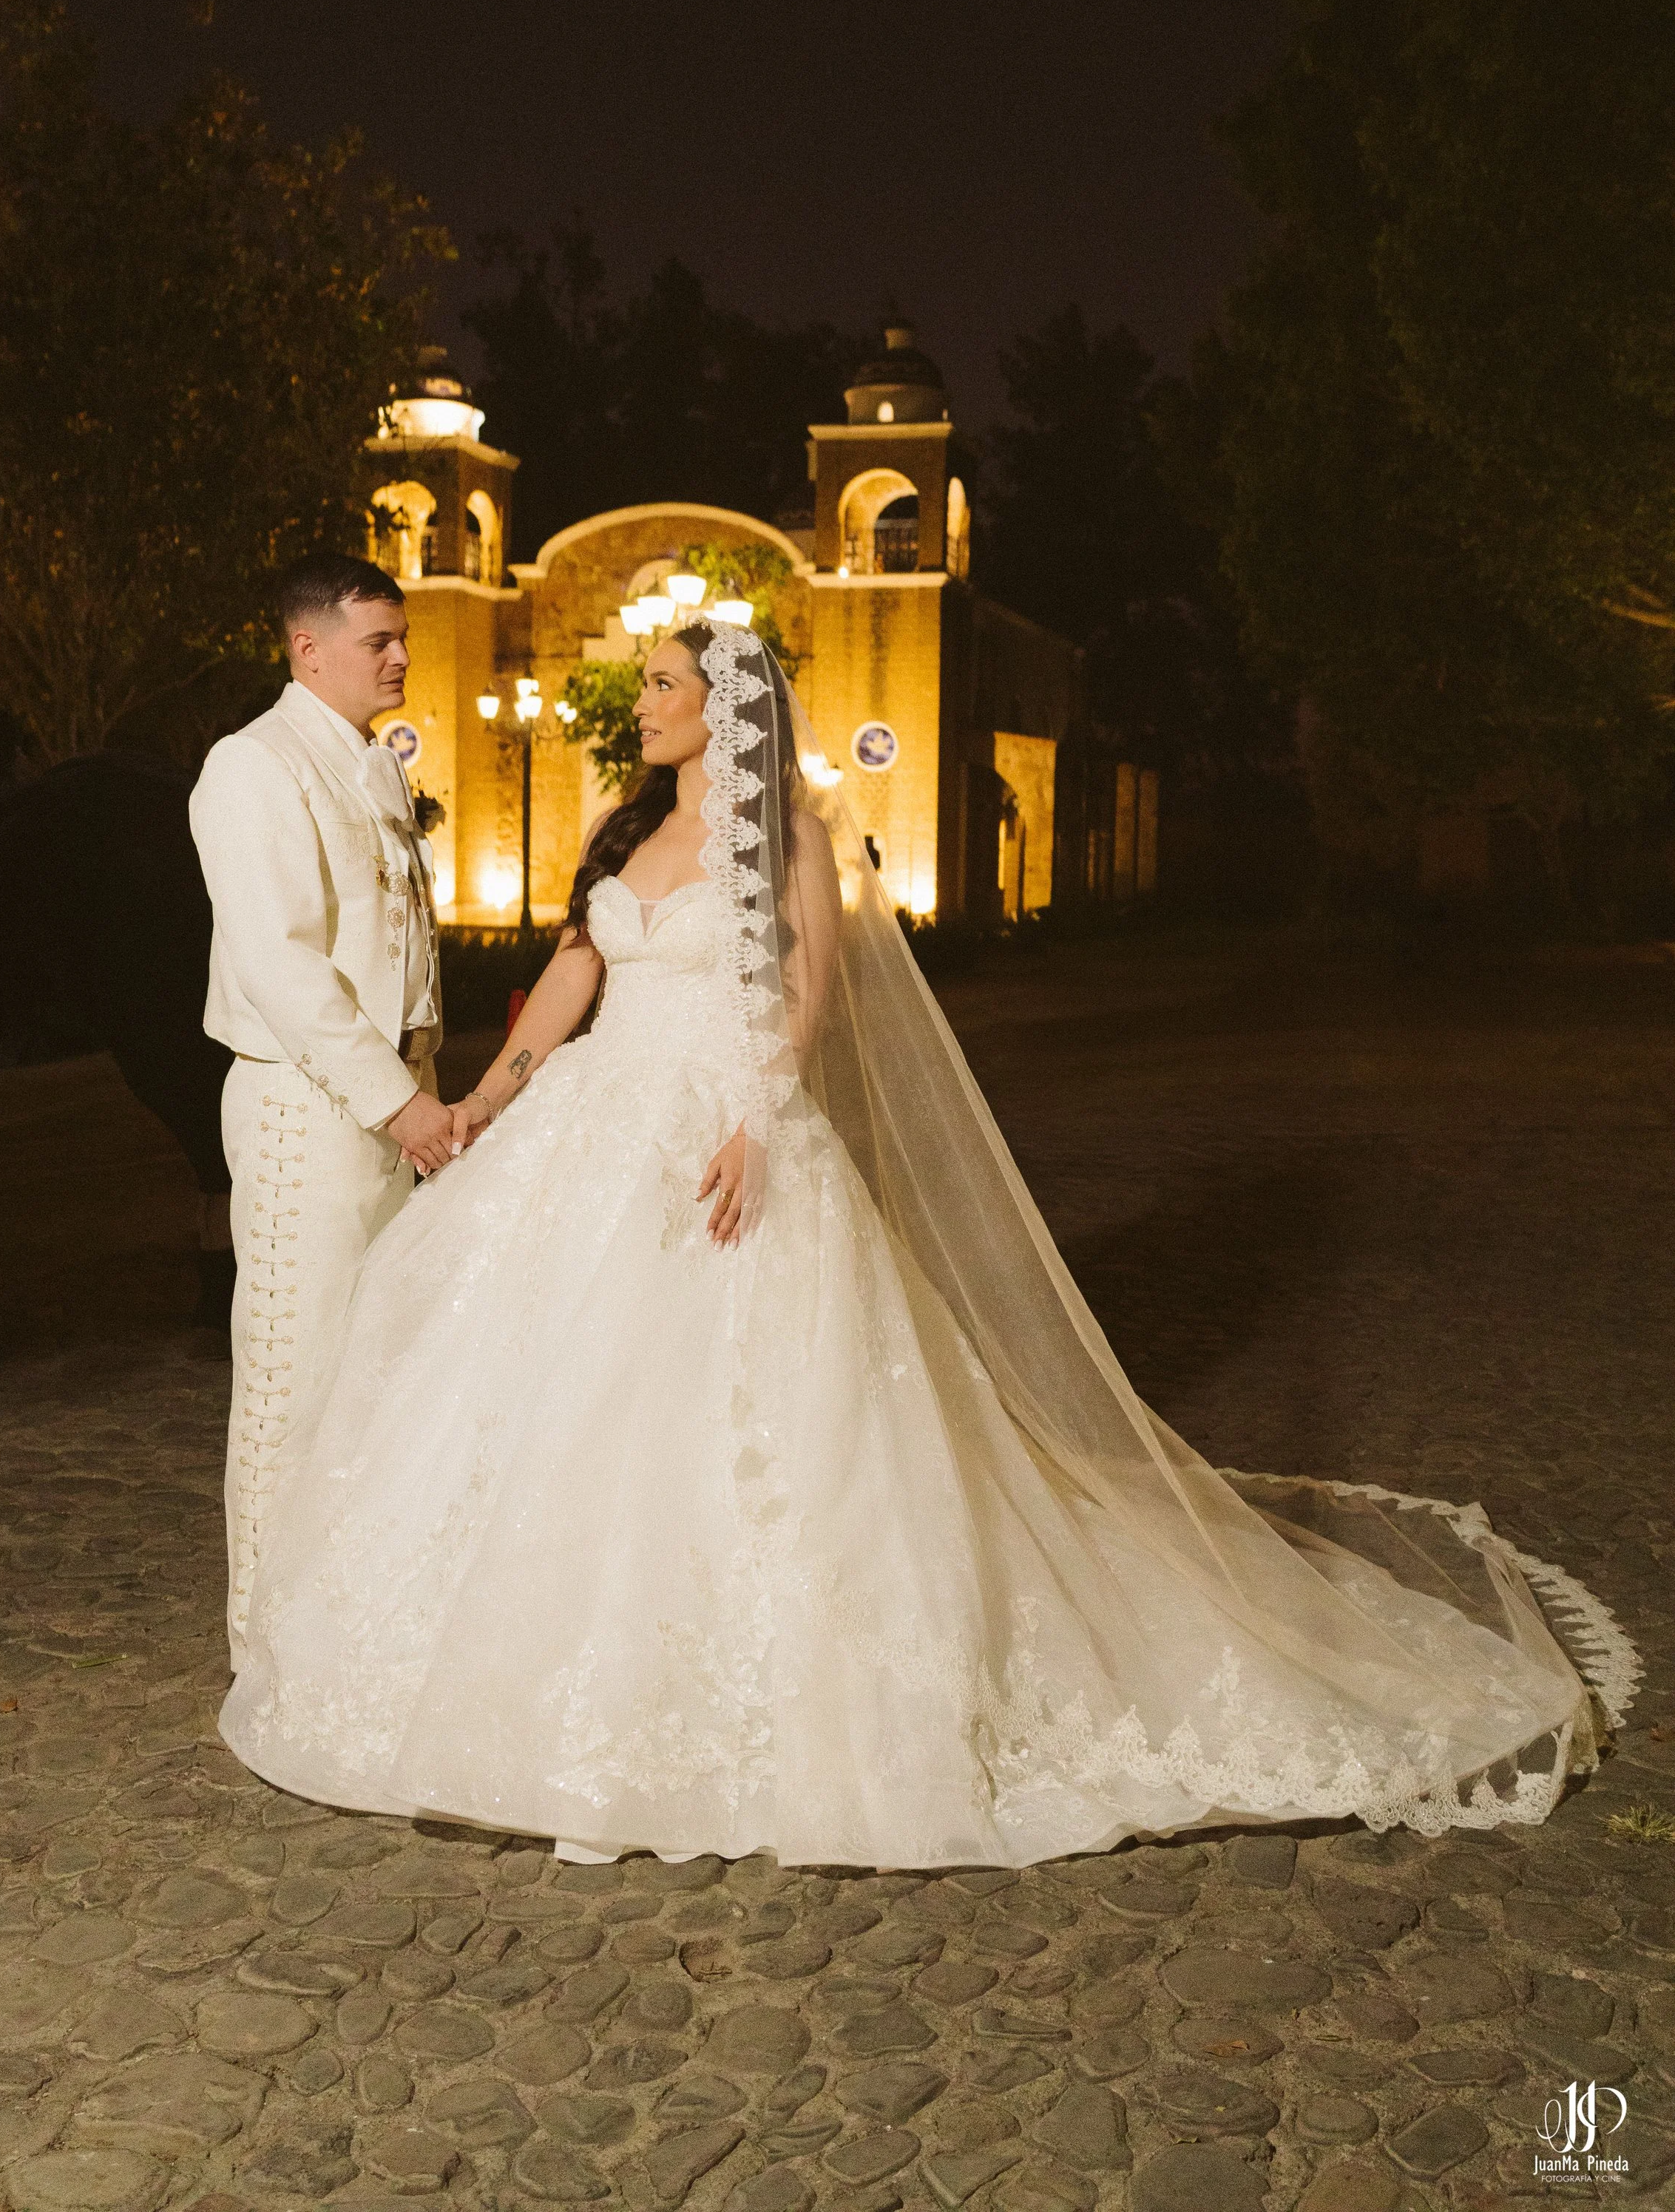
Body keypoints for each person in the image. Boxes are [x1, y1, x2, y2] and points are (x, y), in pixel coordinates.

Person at [220, 621, 1613, 1866]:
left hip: (722, 1124)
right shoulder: (622, 831)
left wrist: (759, 1121)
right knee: (538, 1394)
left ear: (730, 708)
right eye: (645, 684)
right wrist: (477, 1102)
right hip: (593, 1129)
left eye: (661, 685)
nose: (640, 703)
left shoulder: (788, 843)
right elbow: (570, 983)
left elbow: (811, 991)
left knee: (747, 1412)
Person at [189, 554, 463, 1673]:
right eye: (378, 642)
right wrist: (398, 1102)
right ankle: (266, 1644)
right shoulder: (253, 766)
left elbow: (406, 941)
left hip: (390, 1096)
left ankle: (347, 1613)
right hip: (308, 1102)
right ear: (309, 649)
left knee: (378, 1366)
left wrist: (428, 1074)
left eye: (402, 638)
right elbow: (281, 966)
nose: (401, 656)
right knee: (293, 1372)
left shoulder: (375, 767)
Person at [0, 697, 235, 1325]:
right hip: (200, 982)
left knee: (215, 1143)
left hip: (154, 1008)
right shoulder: (102, 786)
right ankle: (228, 1282)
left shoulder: (18, 837)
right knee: (222, 1141)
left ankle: (227, 1282)